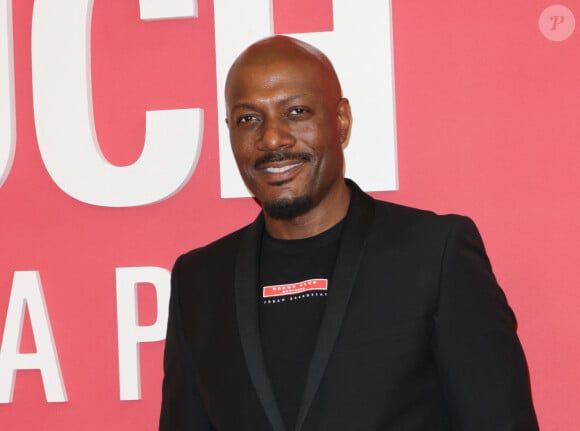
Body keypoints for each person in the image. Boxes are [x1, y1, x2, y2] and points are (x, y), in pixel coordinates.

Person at [159, 35, 538, 430]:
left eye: (297, 111)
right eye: (248, 119)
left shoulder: (433, 255)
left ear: (340, 121)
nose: (272, 138)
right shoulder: (199, 281)